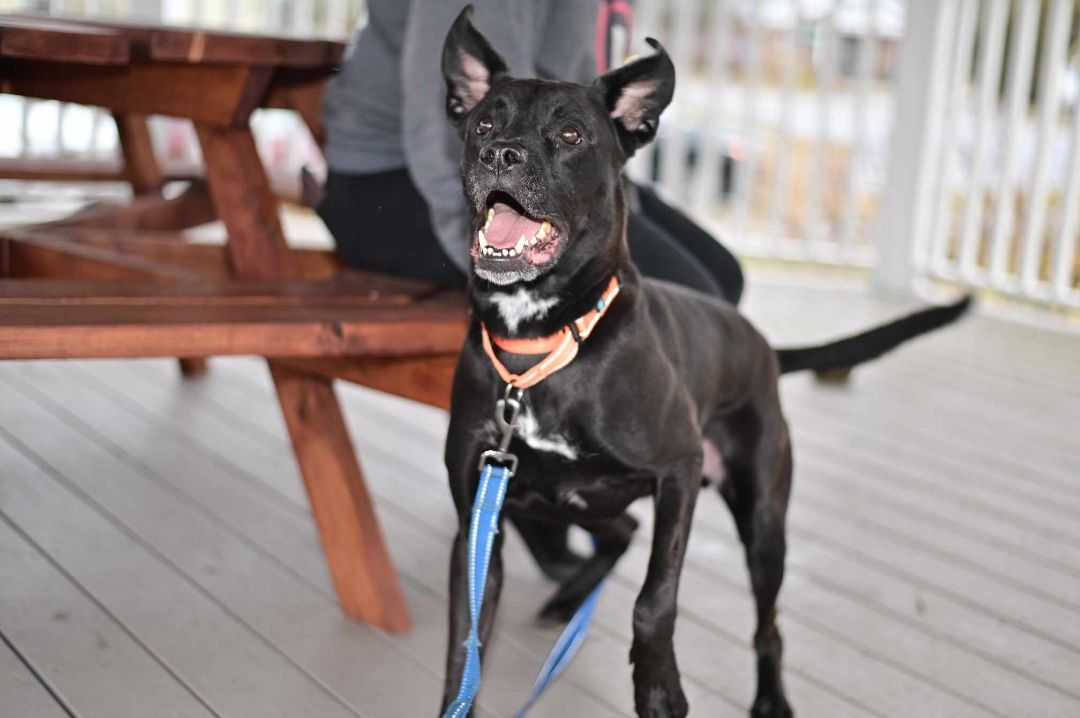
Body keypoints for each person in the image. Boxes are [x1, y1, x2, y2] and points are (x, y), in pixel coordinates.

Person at [317, 0, 744, 306]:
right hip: (398, 185)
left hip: (538, 169)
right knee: (689, 301)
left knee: (722, 279)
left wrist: (613, 199)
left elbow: (571, 90)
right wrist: (493, 253)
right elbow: (460, 129)